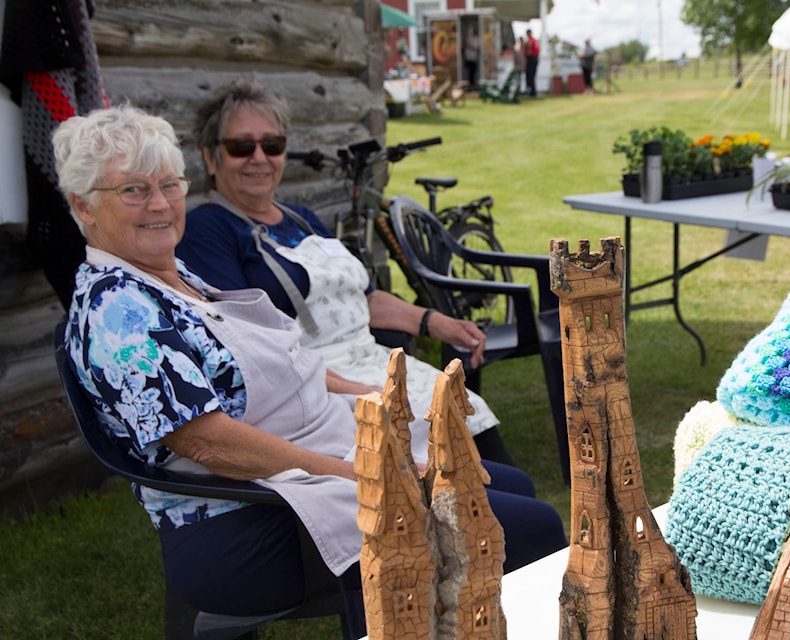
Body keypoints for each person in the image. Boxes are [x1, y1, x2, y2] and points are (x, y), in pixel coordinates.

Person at [55, 105, 567, 623]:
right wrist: (360, 474)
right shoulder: (118, 312)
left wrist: (362, 395)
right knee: (532, 528)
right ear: (84, 207)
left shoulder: (174, 275)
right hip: (249, 519)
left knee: (511, 487)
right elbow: (208, 442)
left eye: (169, 184)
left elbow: (272, 362)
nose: (160, 204)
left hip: (307, 456)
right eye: (133, 190)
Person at [176, 79, 515, 466]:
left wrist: (436, 322)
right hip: (309, 386)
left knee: (469, 414)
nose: (259, 157)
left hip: (370, 357)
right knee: (432, 450)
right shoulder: (206, 231)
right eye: (241, 146)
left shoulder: (300, 218)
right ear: (209, 157)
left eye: (272, 145)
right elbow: (250, 347)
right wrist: (358, 389)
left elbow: (365, 297)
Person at [523, 28, 539, 97]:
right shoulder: (535, 40)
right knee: (532, 76)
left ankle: (532, 92)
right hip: (535, 58)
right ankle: (532, 91)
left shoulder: (530, 40)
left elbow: (529, 49)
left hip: (531, 58)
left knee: (530, 76)